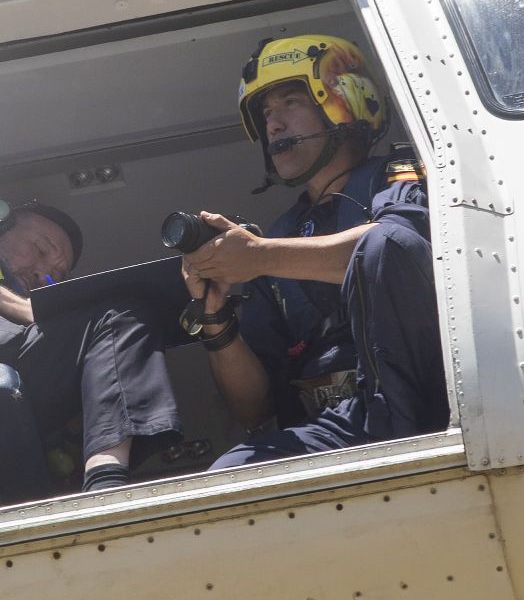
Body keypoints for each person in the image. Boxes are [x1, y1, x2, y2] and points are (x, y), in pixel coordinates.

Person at [178, 35, 447, 467]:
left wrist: (260, 256)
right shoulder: (279, 235)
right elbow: (254, 410)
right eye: (266, 113)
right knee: (230, 473)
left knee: (382, 241)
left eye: (291, 103)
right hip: (339, 425)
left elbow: (395, 248)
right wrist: (215, 317)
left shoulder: (401, 174)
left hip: (419, 399)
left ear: (346, 100)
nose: (274, 125)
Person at [0, 192, 183, 491]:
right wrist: (25, 310)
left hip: (11, 375)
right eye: (40, 248)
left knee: (127, 314)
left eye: (54, 278)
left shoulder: (39, 333)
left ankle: (105, 481)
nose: (42, 272)